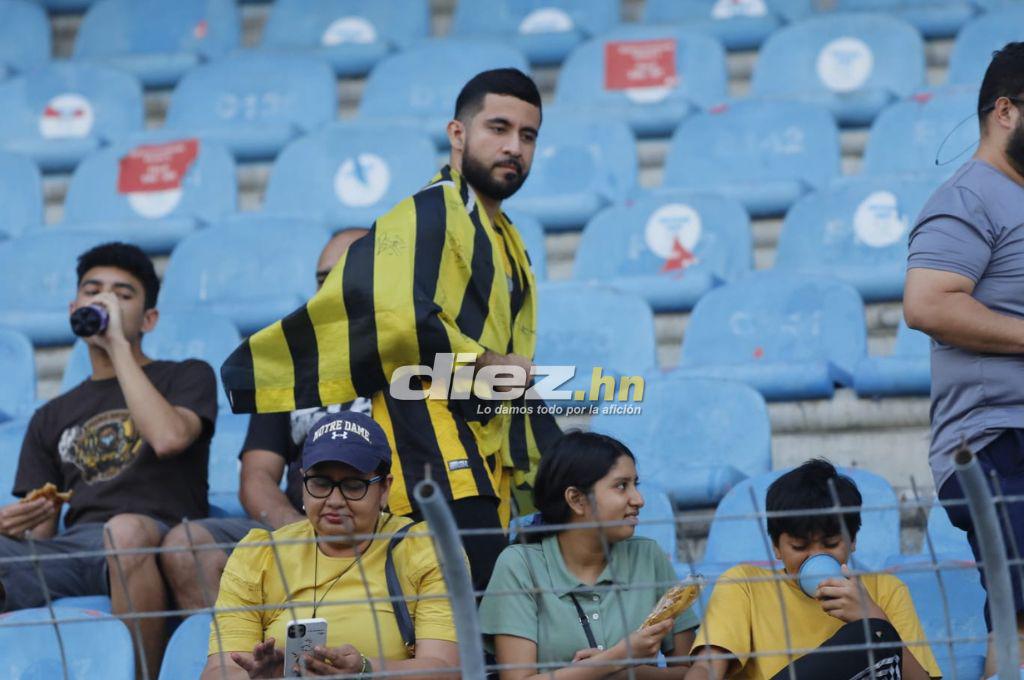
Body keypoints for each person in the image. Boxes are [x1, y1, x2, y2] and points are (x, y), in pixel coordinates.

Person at [220, 68, 562, 591]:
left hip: (479, 458)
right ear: (458, 134)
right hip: (432, 460)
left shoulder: (505, 237)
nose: (514, 146)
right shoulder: (428, 213)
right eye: (499, 128)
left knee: (484, 629)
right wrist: (485, 364)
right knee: (460, 627)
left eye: (528, 135)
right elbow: (395, 316)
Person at [0, 242, 218, 679]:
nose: (104, 301)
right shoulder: (50, 414)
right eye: (93, 290)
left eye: (122, 294)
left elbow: (170, 437)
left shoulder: (186, 375)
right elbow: (41, 532)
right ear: (73, 306)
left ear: (149, 318)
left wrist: (117, 345)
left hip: (154, 535)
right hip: (74, 548)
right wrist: (13, 523)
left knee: (125, 530)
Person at [159, 228, 370, 612]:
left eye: (346, 273)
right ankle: (234, 664)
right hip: (302, 521)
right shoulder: (289, 366)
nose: (331, 289)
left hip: (381, 522)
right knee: (185, 544)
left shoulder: (411, 359)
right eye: (323, 279)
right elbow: (256, 475)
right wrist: (294, 530)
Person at [902, 41, 1024, 675]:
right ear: (1006, 111)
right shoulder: (971, 195)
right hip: (998, 440)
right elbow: (926, 303)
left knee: (1015, 610)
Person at [200, 411, 459, 679]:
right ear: (302, 482)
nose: (334, 500)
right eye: (321, 483)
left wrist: (364, 671)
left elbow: (446, 669)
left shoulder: (424, 548)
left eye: (353, 485)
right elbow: (218, 670)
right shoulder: (259, 554)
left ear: (384, 489)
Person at [684, 460, 940, 680]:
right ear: (776, 547)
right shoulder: (744, 585)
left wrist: (870, 617)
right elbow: (708, 665)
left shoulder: (885, 590)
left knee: (876, 634)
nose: (816, 556)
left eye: (831, 544)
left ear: (852, 541)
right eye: (799, 546)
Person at [479, 432, 699, 679]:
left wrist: (627, 671)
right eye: (621, 486)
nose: (639, 499)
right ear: (576, 499)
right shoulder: (519, 565)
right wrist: (617, 658)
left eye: (635, 485)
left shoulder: (648, 555)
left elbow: (692, 675)